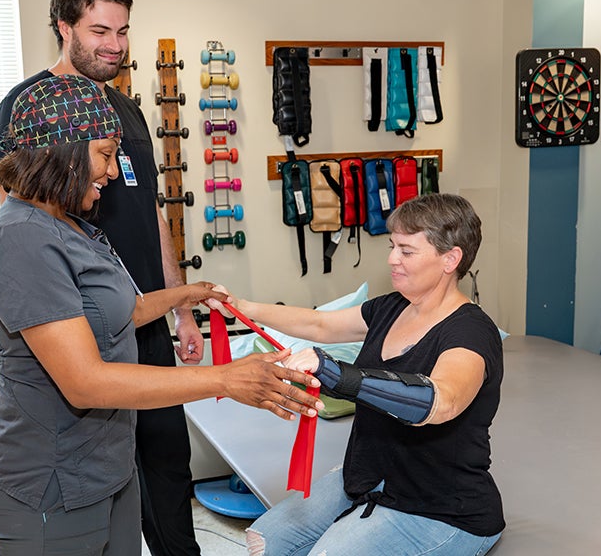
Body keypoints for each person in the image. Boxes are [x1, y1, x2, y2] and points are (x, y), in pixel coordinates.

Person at [0, 74, 323, 556]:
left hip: (108, 467)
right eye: (105, 154)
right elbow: (85, 382)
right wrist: (225, 379)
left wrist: (185, 295)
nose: (114, 172)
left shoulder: (69, 223)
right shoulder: (19, 241)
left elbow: (123, 311)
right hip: (48, 482)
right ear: (64, 151)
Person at [0, 0, 207, 554]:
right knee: (79, 485)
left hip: (135, 315)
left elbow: (152, 212)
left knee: (163, 472)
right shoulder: (26, 112)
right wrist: (230, 382)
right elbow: (25, 237)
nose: (114, 45)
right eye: (99, 30)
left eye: (123, 32)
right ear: (63, 26)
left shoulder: (124, 111)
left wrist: (180, 304)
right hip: (77, 333)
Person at [208, 193, 504, 556]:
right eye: (392, 246)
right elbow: (318, 324)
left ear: (450, 258)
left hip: (440, 506)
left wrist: (336, 374)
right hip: (370, 475)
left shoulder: (471, 332)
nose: (392, 259)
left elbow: (441, 401)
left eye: (407, 251)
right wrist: (240, 306)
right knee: (264, 542)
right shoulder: (391, 307)